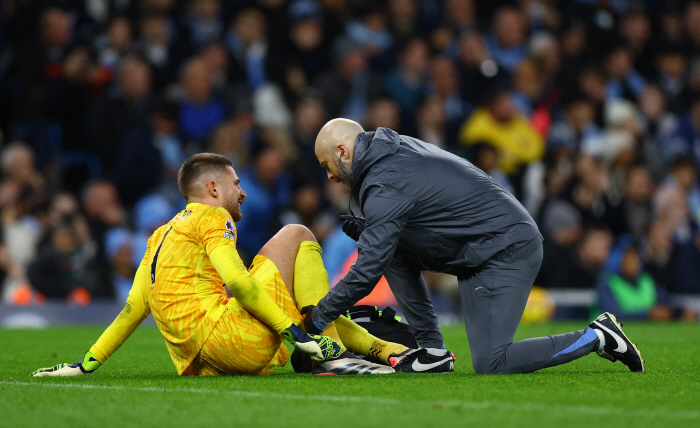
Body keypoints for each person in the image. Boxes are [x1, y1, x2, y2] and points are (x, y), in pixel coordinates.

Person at [305, 118, 645, 374]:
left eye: (326, 166)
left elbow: (366, 272)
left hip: (506, 248)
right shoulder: (391, 152)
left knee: (493, 362)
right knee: (387, 248)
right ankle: (434, 352)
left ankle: (598, 336)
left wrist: (319, 316)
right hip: (479, 246)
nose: (330, 177)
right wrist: (373, 231)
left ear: (342, 151)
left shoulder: (383, 181)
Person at [31, 153, 406, 377]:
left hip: (204, 364)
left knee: (301, 295)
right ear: (213, 189)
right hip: (232, 340)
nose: (243, 191)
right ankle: (338, 354)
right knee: (297, 234)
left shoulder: (158, 237)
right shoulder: (213, 218)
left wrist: (85, 365)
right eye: (236, 183)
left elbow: (132, 309)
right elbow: (239, 283)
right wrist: (299, 337)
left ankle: (385, 350)